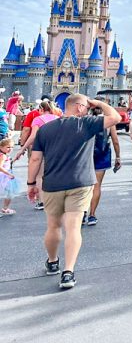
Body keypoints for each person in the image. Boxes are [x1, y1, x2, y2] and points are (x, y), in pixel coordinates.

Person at [26, 95, 120, 289]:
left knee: (53, 226)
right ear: (78, 108)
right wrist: (100, 103)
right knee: (73, 228)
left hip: (52, 184)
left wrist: (31, 183)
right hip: (80, 183)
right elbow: (115, 117)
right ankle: (68, 272)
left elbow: (35, 160)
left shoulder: (45, 130)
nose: (88, 110)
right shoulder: (85, 124)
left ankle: (52, 262)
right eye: (86, 107)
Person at [85, 105, 120, 225]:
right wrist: (118, 157)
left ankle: (82, 211)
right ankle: (92, 215)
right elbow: (115, 140)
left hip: (85, 156)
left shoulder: (86, 120)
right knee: (97, 186)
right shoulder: (109, 122)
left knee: (84, 185)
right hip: (102, 154)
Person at [0, 137, 20, 216]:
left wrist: (15, 159)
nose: (10, 149)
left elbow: (7, 164)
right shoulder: (3, 156)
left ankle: (5, 208)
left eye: (12, 147)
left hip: (5, 175)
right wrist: (8, 174)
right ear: (1, 147)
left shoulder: (4, 155)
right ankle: (5, 208)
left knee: (9, 192)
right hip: (3, 176)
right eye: (8, 147)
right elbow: (0, 167)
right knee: (10, 192)